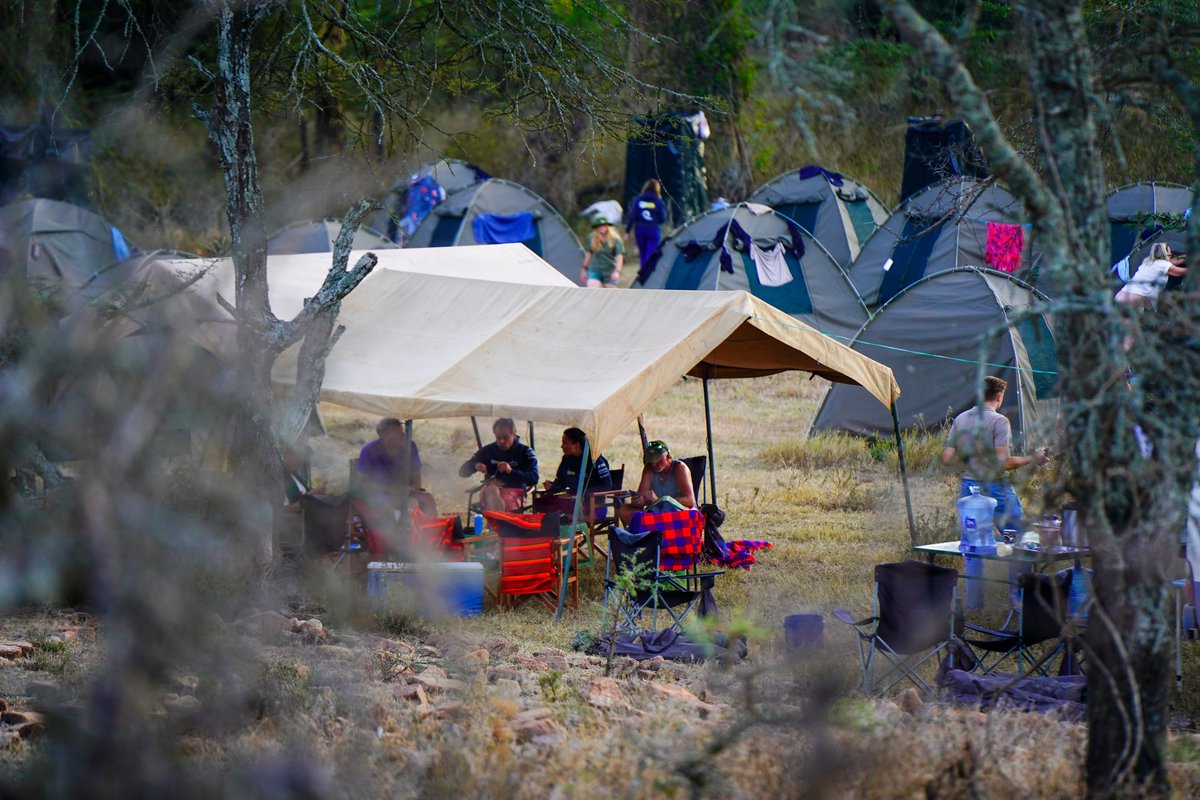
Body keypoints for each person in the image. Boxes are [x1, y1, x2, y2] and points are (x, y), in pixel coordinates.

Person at [941, 376, 1050, 532]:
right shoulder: (999, 421)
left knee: (973, 541)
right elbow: (1004, 463)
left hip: (969, 489)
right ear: (999, 396)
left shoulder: (961, 419)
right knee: (1015, 537)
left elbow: (946, 458)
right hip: (996, 488)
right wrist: (1034, 458)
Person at [357, 417, 436, 515]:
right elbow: (362, 484)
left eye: (402, 431)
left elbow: (416, 474)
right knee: (403, 504)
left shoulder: (410, 446)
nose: (404, 435)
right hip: (378, 495)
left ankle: (433, 529)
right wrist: (391, 490)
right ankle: (400, 529)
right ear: (386, 437)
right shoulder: (369, 451)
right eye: (399, 433)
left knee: (428, 499)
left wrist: (414, 489)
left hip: (404, 493)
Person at [459, 418, 539, 511]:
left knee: (502, 499)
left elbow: (534, 478)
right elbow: (462, 472)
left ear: (514, 434)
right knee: (491, 489)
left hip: (514, 492)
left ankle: (495, 522)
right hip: (489, 491)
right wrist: (475, 465)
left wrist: (511, 471)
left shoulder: (525, 452)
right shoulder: (488, 450)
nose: (501, 441)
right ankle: (499, 521)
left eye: (505, 437)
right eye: (498, 437)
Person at [1115, 242, 1187, 311]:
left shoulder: (1148, 263)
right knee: (1134, 322)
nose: (1171, 253)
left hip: (1120, 295)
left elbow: (1173, 261)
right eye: (1169, 251)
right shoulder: (1162, 264)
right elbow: (1180, 272)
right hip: (1135, 298)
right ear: (1165, 252)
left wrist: (1187, 256)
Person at [543, 428, 613, 494]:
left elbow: (606, 485)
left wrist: (582, 493)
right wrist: (551, 487)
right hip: (572, 503)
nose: (561, 446)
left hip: (594, 504)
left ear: (576, 445)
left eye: (565, 443)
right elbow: (561, 483)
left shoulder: (594, 459)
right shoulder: (566, 459)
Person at [631, 439, 695, 511]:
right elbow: (641, 495)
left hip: (679, 512)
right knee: (624, 510)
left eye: (657, 460)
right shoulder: (649, 467)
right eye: (651, 460)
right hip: (658, 511)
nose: (653, 464)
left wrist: (660, 500)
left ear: (668, 457)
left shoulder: (680, 468)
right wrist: (638, 501)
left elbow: (690, 501)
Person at [625, 178, 668, 269]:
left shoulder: (638, 200)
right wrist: (655, 221)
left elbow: (632, 216)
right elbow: (663, 219)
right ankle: (647, 275)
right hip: (653, 231)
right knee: (651, 254)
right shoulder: (658, 201)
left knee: (643, 254)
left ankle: (643, 273)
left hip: (640, 230)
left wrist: (627, 231)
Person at [581, 218, 624, 287]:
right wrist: (584, 270)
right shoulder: (592, 237)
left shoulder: (615, 238)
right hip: (595, 269)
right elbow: (589, 255)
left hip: (609, 270)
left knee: (610, 292)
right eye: (599, 226)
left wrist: (617, 271)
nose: (601, 228)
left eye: (603, 225)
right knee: (592, 289)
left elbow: (619, 256)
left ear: (608, 226)